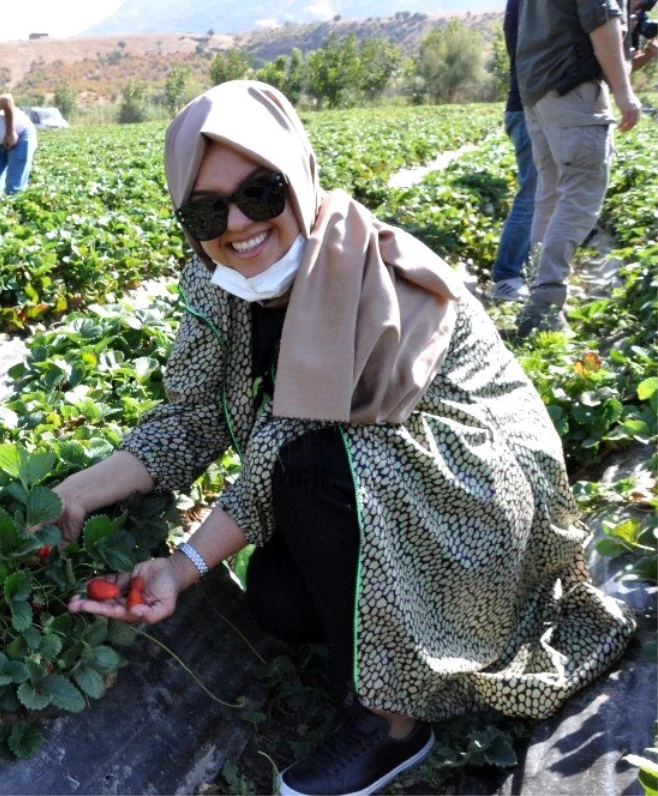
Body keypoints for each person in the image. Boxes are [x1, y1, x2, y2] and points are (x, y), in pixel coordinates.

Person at [54, 81, 636, 796]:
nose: (238, 223)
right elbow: (192, 415)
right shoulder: (219, 282)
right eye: (208, 209)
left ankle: (390, 723)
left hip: (478, 495)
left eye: (261, 193)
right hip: (374, 482)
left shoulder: (354, 271)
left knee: (312, 472)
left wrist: (181, 566)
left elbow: (283, 457)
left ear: (296, 176)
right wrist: (73, 495)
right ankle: (406, 648)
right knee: (278, 598)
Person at [514, 0, 641, 335]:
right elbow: (602, 22)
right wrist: (624, 93)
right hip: (572, 89)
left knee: (552, 195)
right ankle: (546, 303)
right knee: (580, 194)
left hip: (539, 92)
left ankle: (537, 301)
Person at [490, 0, 538, 303]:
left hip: (527, 108)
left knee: (540, 193)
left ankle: (522, 268)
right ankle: (506, 276)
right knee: (533, 193)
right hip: (528, 110)